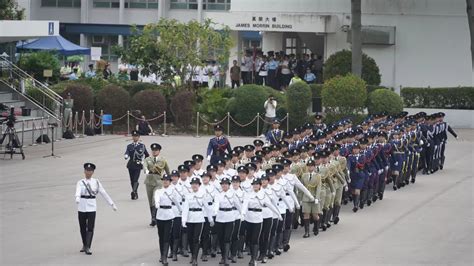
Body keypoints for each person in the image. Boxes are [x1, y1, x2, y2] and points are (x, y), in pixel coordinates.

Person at [75, 163, 117, 255]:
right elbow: (78, 191)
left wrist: (111, 203)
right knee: (82, 227)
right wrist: (77, 197)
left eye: (90, 171)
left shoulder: (96, 182)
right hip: (81, 206)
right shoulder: (80, 182)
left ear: (93, 172)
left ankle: (88, 247)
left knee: (90, 227)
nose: (88, 172)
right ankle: (84, 244)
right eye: (87, 170)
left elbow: (104, 193)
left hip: (91, 207)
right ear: (84, 171)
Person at [241, 177, 281, 266]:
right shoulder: (248, 194)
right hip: (248, 218)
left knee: (257, 238)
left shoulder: (263, 195)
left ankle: (255, 258)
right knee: (250, 239)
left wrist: (278, 214)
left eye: (257, 184)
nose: (255, 186)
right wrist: (243, 214)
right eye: (254, 184)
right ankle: (253, 256)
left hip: (259, 218)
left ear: (260, 186)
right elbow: (244, 205)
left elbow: (270, 205)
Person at [181, 177, 215, 266]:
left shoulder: (203, 195)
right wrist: (183, 220)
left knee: (196, 238)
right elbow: (185, 209)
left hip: (199, 218)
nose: (194, 185)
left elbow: (207, 208)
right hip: (190, 218)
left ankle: (195, 258)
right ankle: (192, 255)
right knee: (190, 238)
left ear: (199, 185)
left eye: (196, 184)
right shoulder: (188, 195)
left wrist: (210, 219)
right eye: (193, 184)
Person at [154, 173, 181, 266]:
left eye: (167, 180)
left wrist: (181, 211)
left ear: (170, 182)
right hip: (160, 214)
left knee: (166, 237)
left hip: (169, 215)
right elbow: (156, 199)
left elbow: (177, 202)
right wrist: (157, 204)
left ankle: (165, 257)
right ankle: (162, 255)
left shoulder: (173, 191)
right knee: (161, 237)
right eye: (164, 180)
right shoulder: (158, 191)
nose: (165, 181)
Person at [214, 176, 241, 266]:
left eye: (226, 184)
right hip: (220, 217)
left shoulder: (233, 194)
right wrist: (214, 211)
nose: (224, 185)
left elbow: (238, 205)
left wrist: (243, 214)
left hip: (230, 217)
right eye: (223, 184)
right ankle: (223, 256)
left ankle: (226, 258)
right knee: (221, 238)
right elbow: (216, 204)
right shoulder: (218, 194)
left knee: (227, 238)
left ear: (229, 185)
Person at [144, 143, 170, 226]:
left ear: (159, 151)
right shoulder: (148, 159)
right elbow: (144, 165)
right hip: (149, 181)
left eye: (156, 150)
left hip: (158, 181)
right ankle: (153, 218)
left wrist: (170, 180)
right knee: (150, 200)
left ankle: (155, 217)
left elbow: (167, 170)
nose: (154, 152)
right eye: (153, 150)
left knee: (154, 200)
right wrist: (146, 170)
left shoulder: (163, 160)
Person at [124, 130, 149, 200]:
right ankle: (135, 193)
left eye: (136, 136)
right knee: (132, 180)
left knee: (135, 179)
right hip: (131, 164)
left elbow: (147, 155)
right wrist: (126, 155)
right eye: (134, 136)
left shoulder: (142, 146)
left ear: (139, 137)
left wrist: (145, 162)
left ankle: (133, 191)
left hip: (138, 165)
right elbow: (127, 152)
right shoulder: (129, 146)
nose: (135, 138)